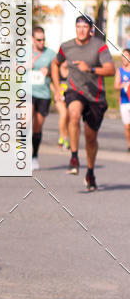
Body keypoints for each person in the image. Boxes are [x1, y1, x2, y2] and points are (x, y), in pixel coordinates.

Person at [51, 15, 114, 190]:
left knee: (90, 137)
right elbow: (55, 64)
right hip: (75, 91)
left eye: (85, 27)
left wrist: (91, 68)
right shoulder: (66, 47)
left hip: (96, 97)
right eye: (78, 26)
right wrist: (57, 88)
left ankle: (90, 172)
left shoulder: (99, 46)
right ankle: (73, 157)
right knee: (73, 114)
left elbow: (111, 69)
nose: (81, 30)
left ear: (91, 29)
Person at [30, 25, 56, 170]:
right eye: (38, 40)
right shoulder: (25, 52)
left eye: (43, 40)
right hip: (27, 91)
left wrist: (50, 72)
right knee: (25, 120)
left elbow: (58, 74)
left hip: (44, 94)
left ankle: (34, 156)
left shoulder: (51, 54)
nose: (41, 42)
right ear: (33, 39)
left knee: (37, 127)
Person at [114, 48, 130, 151]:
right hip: (124, 101)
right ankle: (129, 145)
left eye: (126, 56)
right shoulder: (119, 70)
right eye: (122, 56)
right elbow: (116, 86)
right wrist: (123, 85)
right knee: (127, 126)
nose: (124, 58)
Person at [54, 60, 70, 149]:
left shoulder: (71, 71)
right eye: (63, 60)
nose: (65, 62)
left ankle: (66, 138)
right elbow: (50, 83)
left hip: (69, 97)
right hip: (59, 98)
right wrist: (56, 92)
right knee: (63, 114)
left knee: (68, 118)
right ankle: (62, 137)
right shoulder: (57, 70)